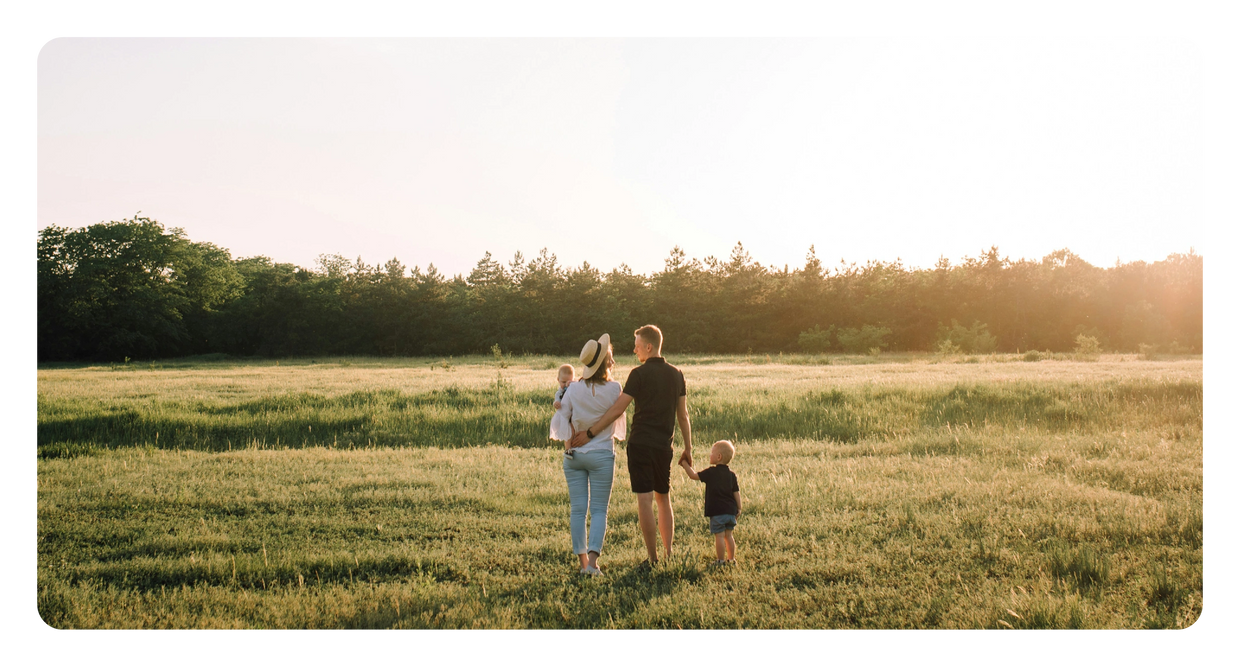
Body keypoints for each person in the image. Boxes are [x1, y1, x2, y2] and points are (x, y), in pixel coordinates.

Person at [570, 324, 691, 566]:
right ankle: (669, 554)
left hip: (640, 445)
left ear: (649, 346)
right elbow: (683, 415)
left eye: (637, 347)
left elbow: (618, 409)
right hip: (664, 446)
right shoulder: (677, 374)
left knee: (645, 499)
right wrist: (688, 447)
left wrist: (591, 432)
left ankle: (653, 558)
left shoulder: (638, 374)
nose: (635, 351)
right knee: (663, 498)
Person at [551, 334, 625, 575]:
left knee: (577, 510)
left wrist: (569, 443)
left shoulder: (573, 389)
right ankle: (592, 564)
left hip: (574, 456)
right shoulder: (615, 388)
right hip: (602, 455)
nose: (613, 363)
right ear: (604, 363)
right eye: (610, 359)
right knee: (599, 510)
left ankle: (583, 564)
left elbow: (563, 418)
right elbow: (616, 419)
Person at [679, 440, 741, 564]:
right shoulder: (732, 475)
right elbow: (736, 493)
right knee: (729, 536)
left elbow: (693, 475)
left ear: (719, 457)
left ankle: (720, 560)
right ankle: (731, 559)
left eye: (712, 453)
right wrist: (739, 508)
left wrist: (684, 463)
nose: (710, 455)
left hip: (718, 512)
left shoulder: (711, 472)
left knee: (719, 536)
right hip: (730, 512)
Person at [550, 363, 576, 454]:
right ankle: (568, 450)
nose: (566, 384)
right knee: (568, 434)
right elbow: (557, 400)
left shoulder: (574, 387)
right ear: (558, 380)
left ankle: (576, 448)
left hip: (574, 414)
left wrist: (572, 384)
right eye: (563, 382)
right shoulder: (559, 393)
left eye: (569, 381)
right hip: (564, 416)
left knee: (575, 432)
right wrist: (556, 403)